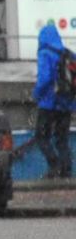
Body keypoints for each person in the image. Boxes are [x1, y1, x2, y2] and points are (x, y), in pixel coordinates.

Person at [34, 22, 75, 179]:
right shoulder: (67, 54)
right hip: (66, 103)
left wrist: (37, 93)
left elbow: (44, 79)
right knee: (62, 139)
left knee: (41, 136)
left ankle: (54, 165)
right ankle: (67, 171)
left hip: (49, 103)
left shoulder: (45, 53)